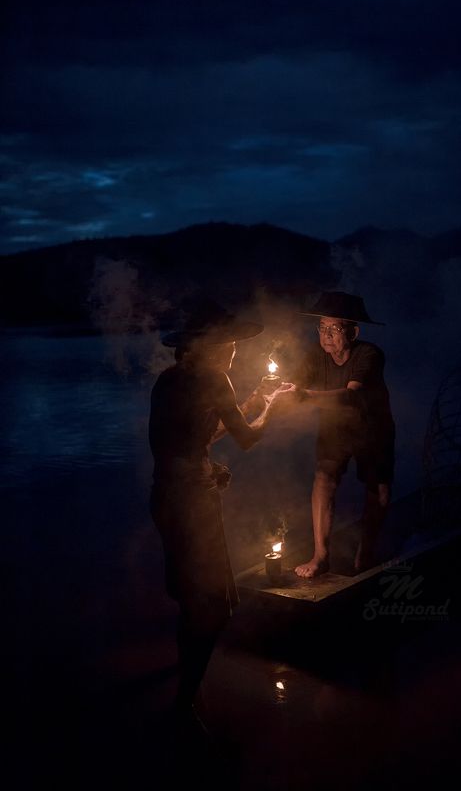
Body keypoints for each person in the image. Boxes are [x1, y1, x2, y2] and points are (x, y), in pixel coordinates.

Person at [149, 300, 292, 718]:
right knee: (212, 606)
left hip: (164, 498)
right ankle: (185, 703)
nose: (233, 351)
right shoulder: (215, 378)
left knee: (190, 598)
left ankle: (187, 682)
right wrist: (272, 406)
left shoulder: (169, 380)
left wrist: (254, 398)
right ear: (209, 346)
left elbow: (198, 437)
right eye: (228, 344)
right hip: (193, 504)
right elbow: (245, 438)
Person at [292, 291, 395, 578]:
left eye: (335, 328)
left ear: (353, 332)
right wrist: (277, 390)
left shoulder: (369, 354)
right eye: (322, 327)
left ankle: (365, 555)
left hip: (373, 429)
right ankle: (320, 556)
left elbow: (352, 396)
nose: (326, 335)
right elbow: (294, 384)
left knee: (378, 488)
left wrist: (304, 396)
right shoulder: (315, 356)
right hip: (334, 426)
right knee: (324, 479)